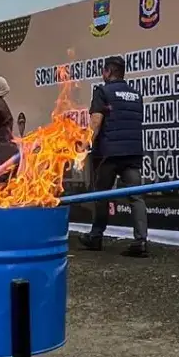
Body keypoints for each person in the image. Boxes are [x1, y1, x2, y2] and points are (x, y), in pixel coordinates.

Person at [77, 55, 148, 257]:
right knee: (136, 196)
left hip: (108, 154)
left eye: (104, 70)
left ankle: (96, 237)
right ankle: (141, 241)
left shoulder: (102, 92)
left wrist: (84, 145)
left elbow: (96, 122)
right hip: (132, 153)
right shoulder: (136, 95)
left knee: (101, 195)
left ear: (108, 72)